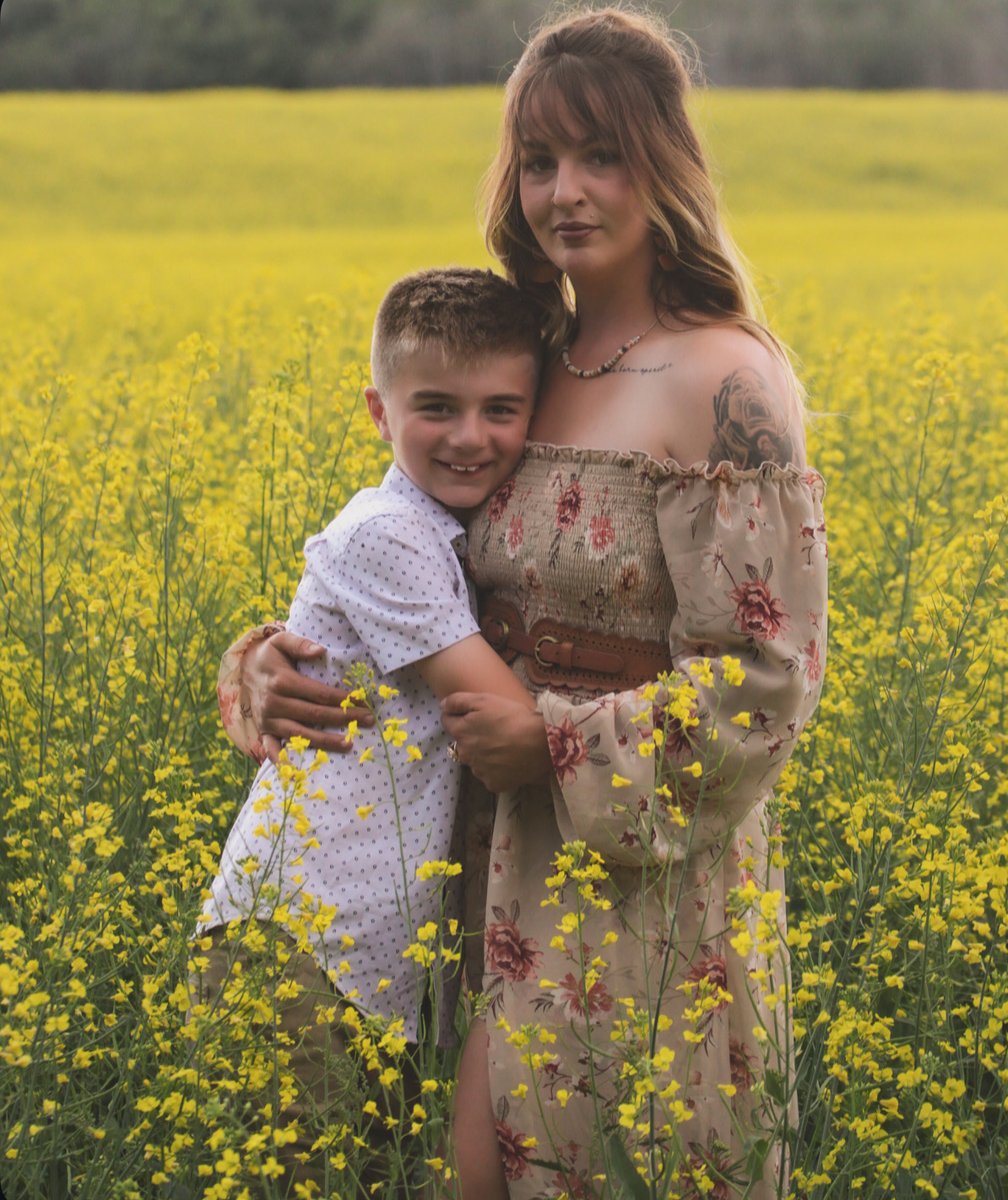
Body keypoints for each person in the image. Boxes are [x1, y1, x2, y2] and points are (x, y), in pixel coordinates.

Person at [223, 9, 829, 1198]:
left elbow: (769, 681)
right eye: (539, 160)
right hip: (469, 855)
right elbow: (406, 549)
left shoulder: (727, 380)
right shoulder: (525, 353)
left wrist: (552, 741)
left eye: (601, 155)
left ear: (666, 163)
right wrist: (274, 658)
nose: (566, 192)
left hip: (637, 876)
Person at [195, 266, 543, 1195]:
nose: (471, 437)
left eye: (501, 410)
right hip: (299, 945)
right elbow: (498, 708)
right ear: (378, 413)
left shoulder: (445, 527)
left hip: (367, 957)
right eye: (436, 407)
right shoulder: (386, 534)